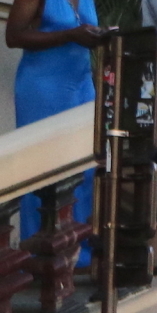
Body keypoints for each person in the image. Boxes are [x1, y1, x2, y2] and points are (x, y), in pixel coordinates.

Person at [9, 0, 101, 240]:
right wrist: (69, 35)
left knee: (85, 166)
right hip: (44, 87)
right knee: (43, 167)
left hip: (81, 84)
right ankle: (40, 249)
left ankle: (79, 248)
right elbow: (14, 36)